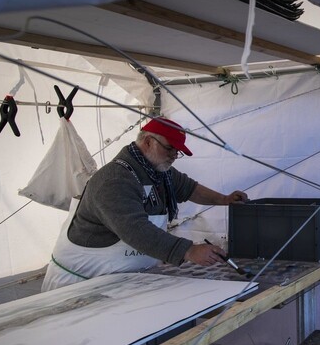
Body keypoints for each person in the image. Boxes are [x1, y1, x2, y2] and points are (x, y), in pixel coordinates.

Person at [42, 117, 248, 292]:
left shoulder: (158, 172)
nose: (174, 157)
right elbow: (135, 230)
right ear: (149, 142)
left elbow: (188, 188)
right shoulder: (114, 179)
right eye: (170, 149)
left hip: (119, 280)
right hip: (81, 284)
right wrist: (188, 251)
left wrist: (223, 200)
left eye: (177, 152)